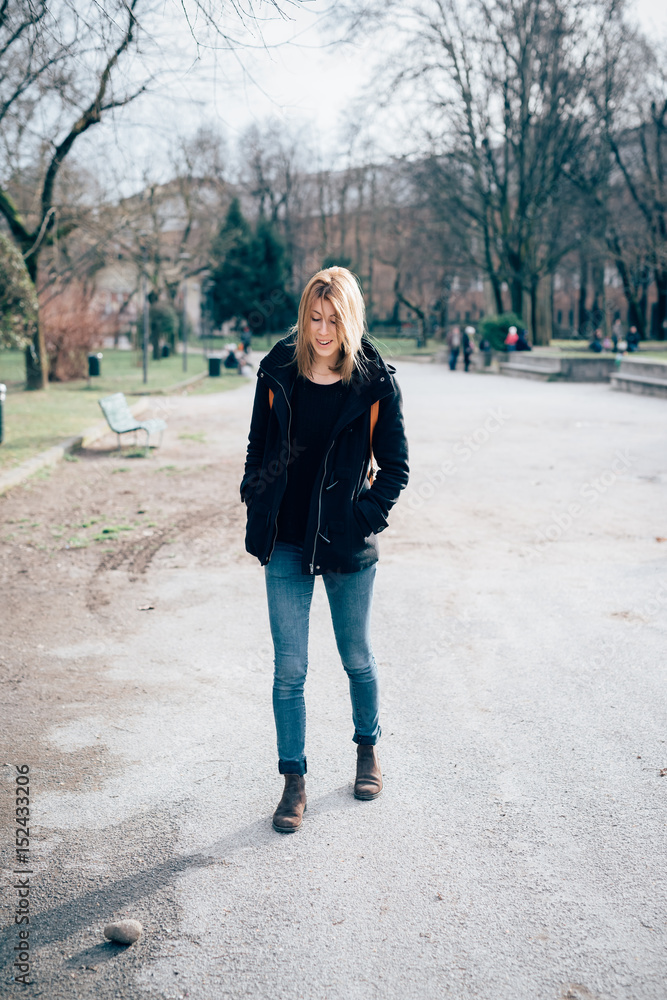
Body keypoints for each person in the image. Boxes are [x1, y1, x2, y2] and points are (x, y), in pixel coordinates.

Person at [240, 266, 409, 834]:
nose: (322, 331)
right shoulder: (277, 371)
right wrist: (255, 496)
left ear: (350, 320)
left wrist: (360, 518)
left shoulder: (374, 382)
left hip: (346, 543)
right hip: (286, 540)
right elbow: (258, 444)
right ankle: (293, 781)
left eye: (334, 320)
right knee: (289, 669)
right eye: (314, 318)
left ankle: (367, 750)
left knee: (356, 656)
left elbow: (396, 469)